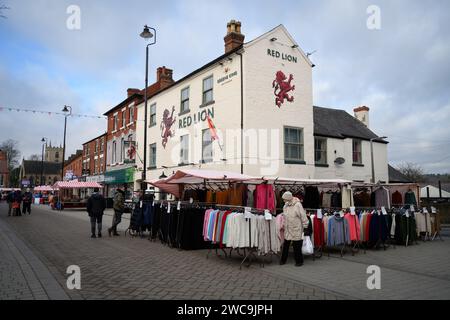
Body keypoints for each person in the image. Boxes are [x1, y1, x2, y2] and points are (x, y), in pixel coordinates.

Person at [280, 191, 309, 267]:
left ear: (288, 198)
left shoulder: (297, 205)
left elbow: (303, 216)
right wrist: (283, 224)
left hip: (296, 228)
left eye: (284, 199)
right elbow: (284, 217)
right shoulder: (285, 206)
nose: (283, 200)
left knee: (297, 246)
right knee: (286, 245)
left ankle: (299, 261)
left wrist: (305, 225)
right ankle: (283, 260)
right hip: (288, 228)